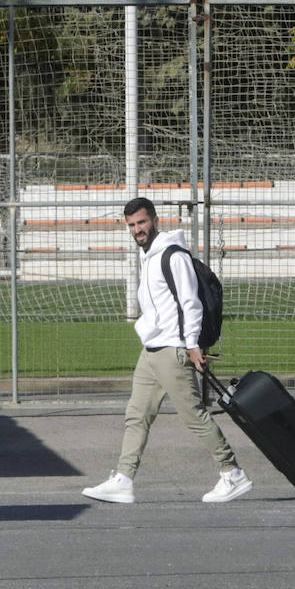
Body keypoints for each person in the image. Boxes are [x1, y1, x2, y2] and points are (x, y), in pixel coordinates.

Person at [81, 197, 251, 504]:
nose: (137, 230)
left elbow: (191, 302)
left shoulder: (172, 256)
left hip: (173, 350)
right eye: (132, 225)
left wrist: (193, 345)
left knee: (194, 416)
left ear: (155, 220)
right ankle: (123, 478)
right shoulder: (148, 255)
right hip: (152, 350)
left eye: (142, 222)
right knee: (137, 413)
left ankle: (232, 473)